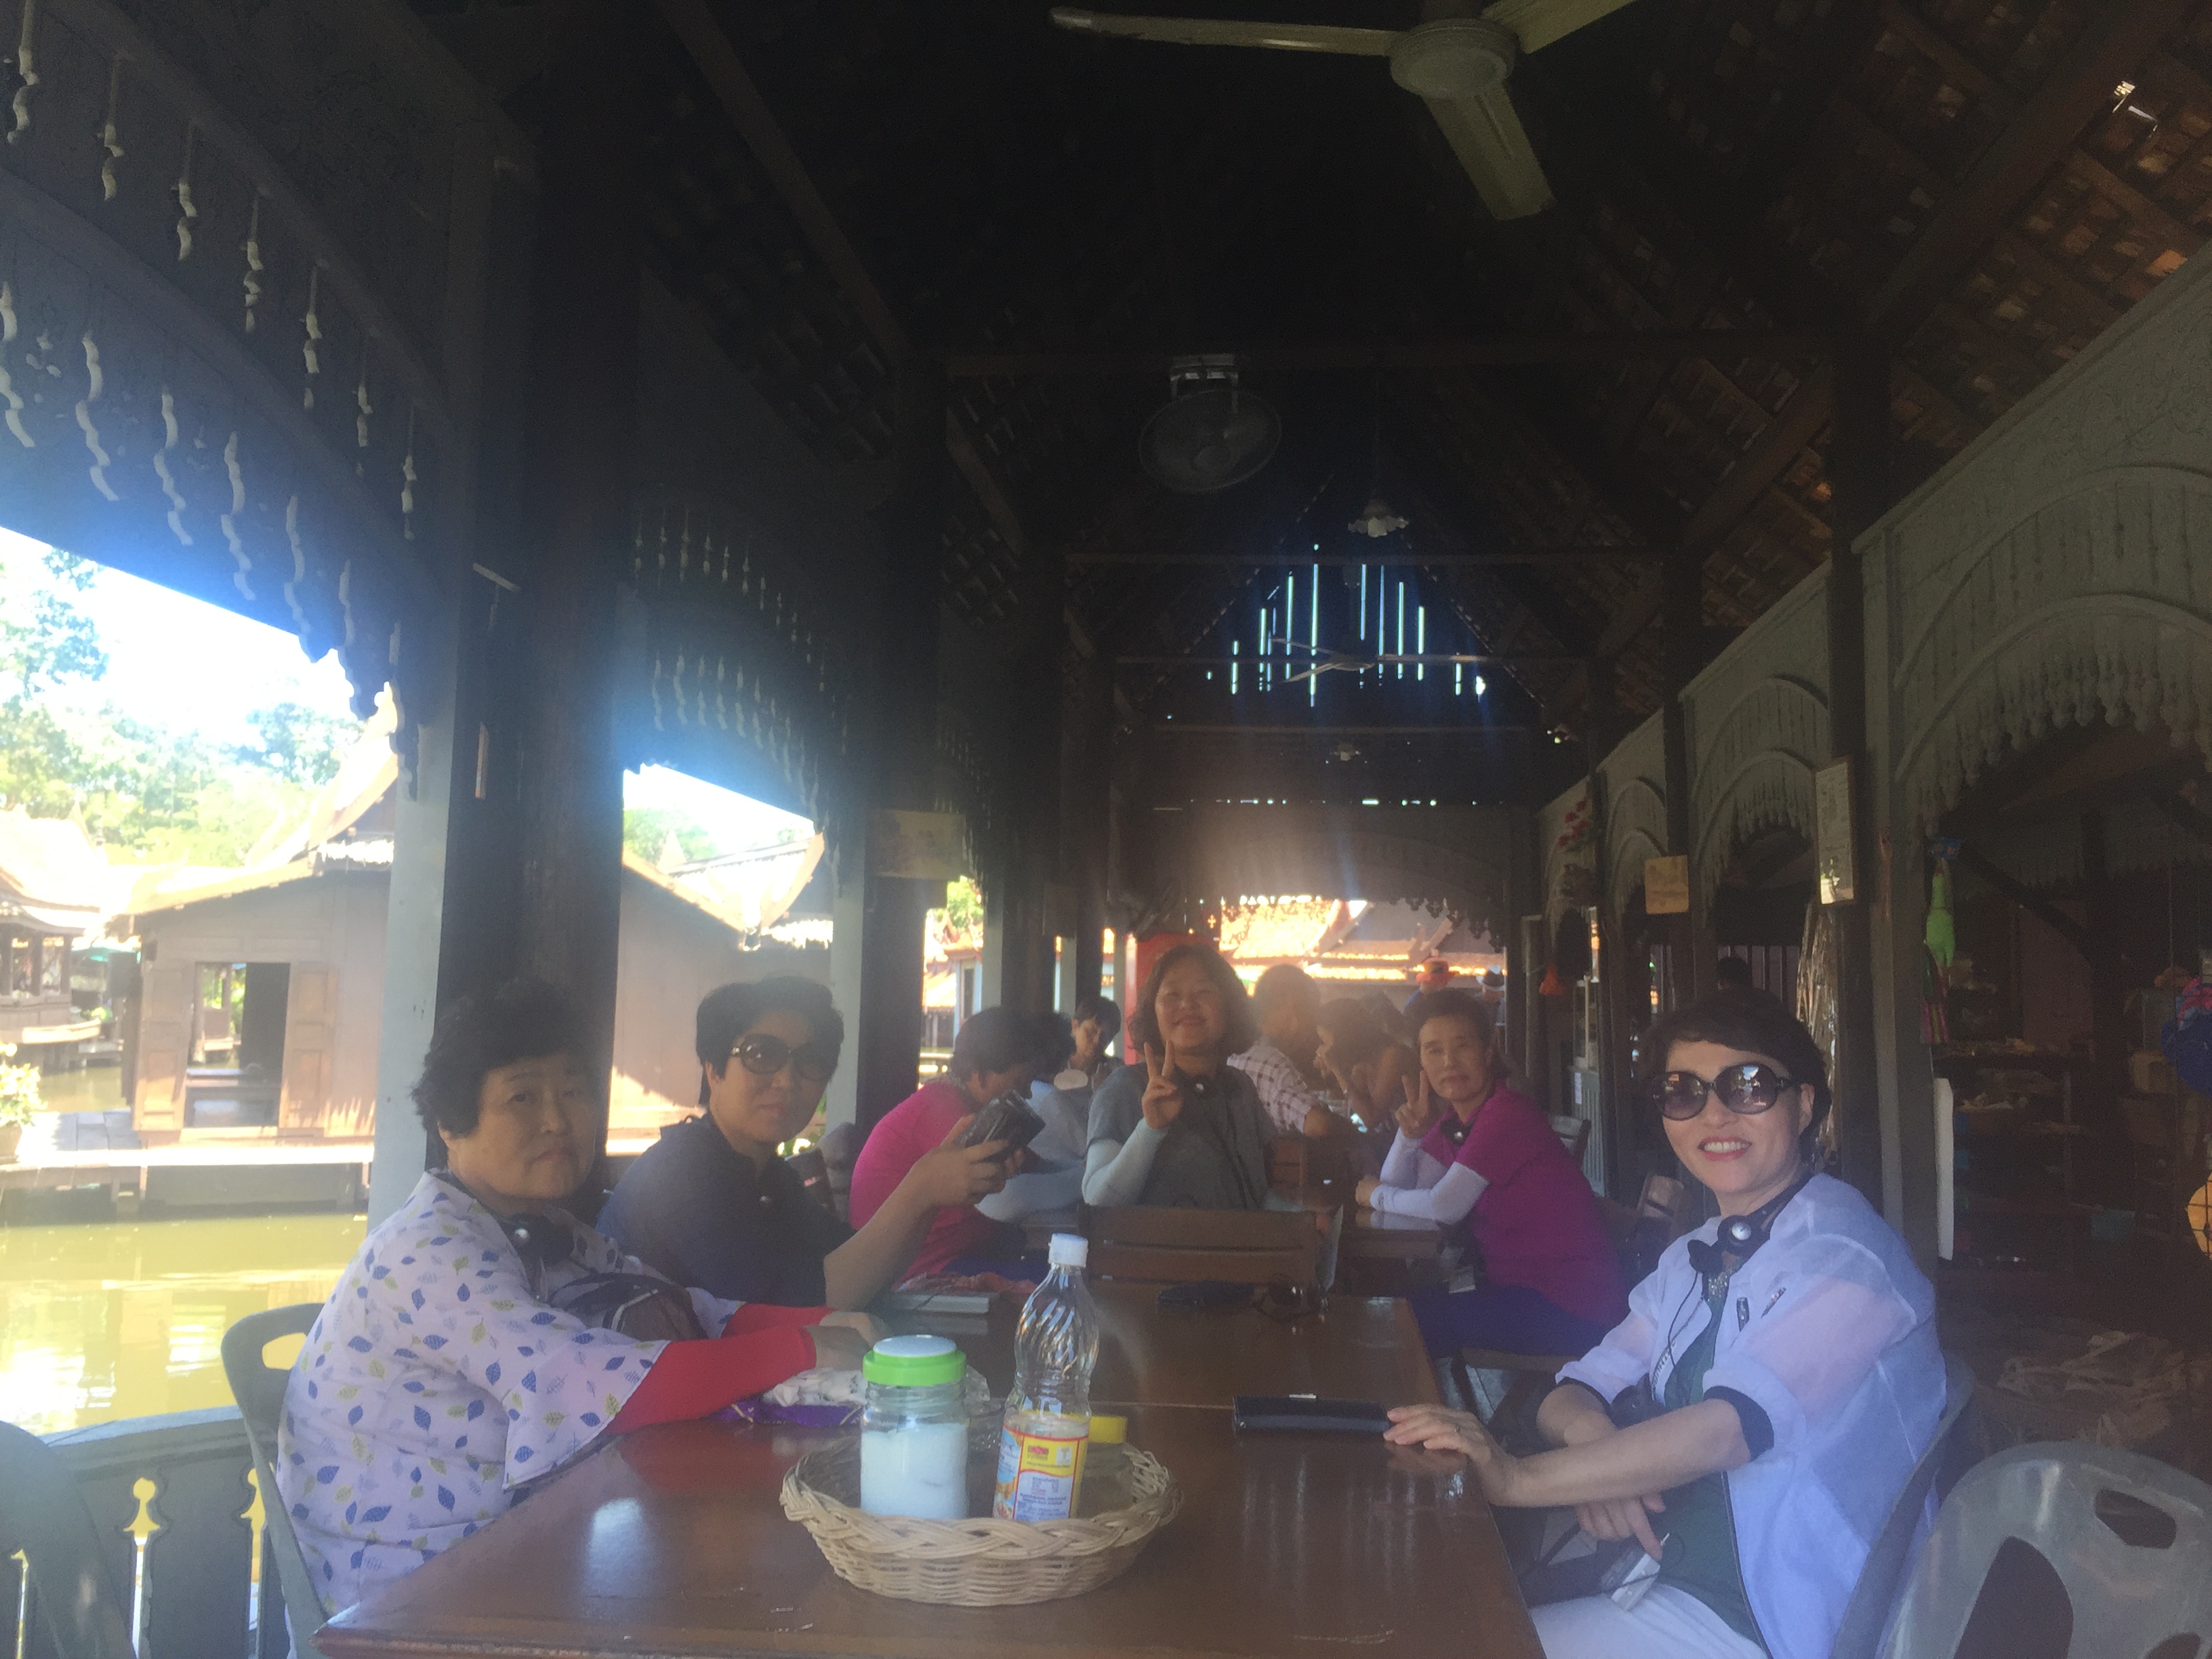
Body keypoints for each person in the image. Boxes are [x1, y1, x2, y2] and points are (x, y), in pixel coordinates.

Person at [276, 981, 878, 1622]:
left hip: (523, 1553)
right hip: (407, 1602)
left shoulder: (548, 1232)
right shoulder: (426, 1253)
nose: (558, 1121)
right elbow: (596, 1383)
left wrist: (827, 1321)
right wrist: (805, 1347)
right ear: (450, 1123)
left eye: (574, 1092)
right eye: (523, 1097)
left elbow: (689, 1309)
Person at [1382, 989, 1944, 1659]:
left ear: (1804, 1105)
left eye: (1748, 1086)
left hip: (1792, 1624)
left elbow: (1726, 1430)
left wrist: (1517, 1478)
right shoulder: (1698, 1253)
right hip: (1672, 1588)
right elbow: (1574, 1386)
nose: (1715, 1114)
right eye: (1684, 1093)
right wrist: (1598, 1451)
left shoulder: (1848, 1258)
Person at [598, 978, 1009, 1309]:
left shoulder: (770, 1178)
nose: (787, 1080)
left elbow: (860, 1269)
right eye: (762, 1055)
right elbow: (814, 1304)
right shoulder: (681, 1175)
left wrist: (933, 1193)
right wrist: (920, 1187)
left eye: (810, 1061)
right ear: (713, 1070)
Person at [1356, 989, 1624, 1357]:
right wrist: (1410, 1135)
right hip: (1518, 1289)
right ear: (1421, 1061)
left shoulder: (1506, 1113)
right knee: (1397, 1308)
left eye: (1462, 1046)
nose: (1449, 1062)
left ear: (1488, 1050)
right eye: (1434, 1050)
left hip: (1571, 1306)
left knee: (1398, 1319)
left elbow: (1442, 1206)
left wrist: (1374, 1194)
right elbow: (1402, 1188)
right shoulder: (1458, 1120)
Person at [848, 1006, 1052, 1279]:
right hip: (917, 1270)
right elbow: (1006, 1199)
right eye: (1020, 1082)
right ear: (980, 1074)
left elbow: (1033, 1167)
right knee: (1056, 1280)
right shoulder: (943, 1113)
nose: (1027, 1094)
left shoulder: (971, 1108)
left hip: (959, 1254)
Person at [1084, 941, 1287, 1210]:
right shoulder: (1125, 1088)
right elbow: (1097, 1201)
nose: (1187, 1004)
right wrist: (1150, 1130)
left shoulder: (1239, 1088)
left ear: (1230, 1006)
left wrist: (1300, 1216)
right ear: (1153, 1011)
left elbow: (1255, 1195)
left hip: (1241, 1238)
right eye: (1172, 994)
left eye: (1203, 991)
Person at [1228, 963, 1340, 1136]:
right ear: (1292, 1005)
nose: (1312, 1025)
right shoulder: (1273, 1065)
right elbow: (1318, 1125)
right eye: (1311, 1011)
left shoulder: (1237, 1052)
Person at [1315, 996, 1418, 1136]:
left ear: (1342, 1036)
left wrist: (1336, 1070)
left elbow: (1370, 1119)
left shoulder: (1392, 1056)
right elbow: (1351, 1105)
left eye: (1324, 1041)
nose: (1322, 1049)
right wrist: (1328, 1074)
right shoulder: (1362, 1063)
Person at [1069, 993, 1123, 1088]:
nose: (1097, 1041)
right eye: (1091, 1031)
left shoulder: (1116, 1072)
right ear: (1075, 1027)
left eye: (1105, 1036)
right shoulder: (1054, 1067)